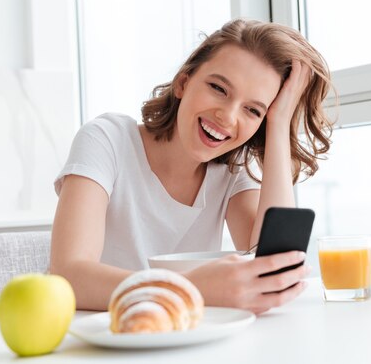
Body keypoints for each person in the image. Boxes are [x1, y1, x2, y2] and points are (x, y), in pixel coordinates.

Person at [50, 18, 333, 315]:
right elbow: (69, 277)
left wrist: (278, 124)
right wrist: (192, 288)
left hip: (183, 339)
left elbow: (272, 269)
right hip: (96, 338)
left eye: (252, 110)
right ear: (183, 82)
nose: (227, 116)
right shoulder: (108, 140)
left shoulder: (233, 170)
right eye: (218, 88)